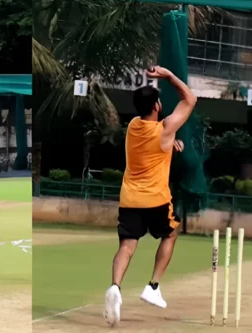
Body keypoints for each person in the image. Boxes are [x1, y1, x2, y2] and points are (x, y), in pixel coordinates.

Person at [104, 66, 197, 326]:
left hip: (130, 198)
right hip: (156, 199)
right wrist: (169, 77)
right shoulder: (165, 129)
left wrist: (171, 143)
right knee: (170, 234)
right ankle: (153, 287)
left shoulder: (134, 126)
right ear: (157, 105)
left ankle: (115, 287)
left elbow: (157, 141)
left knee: (127, 246)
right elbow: (190, 99)